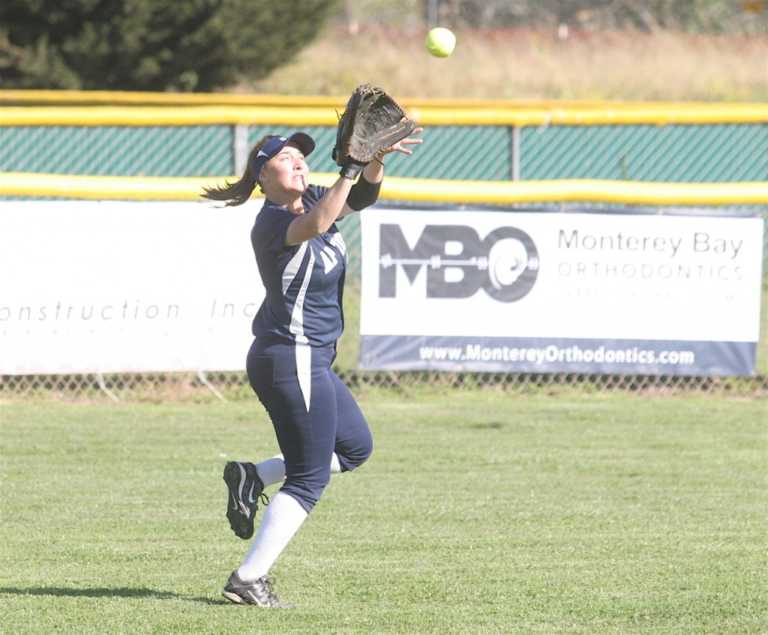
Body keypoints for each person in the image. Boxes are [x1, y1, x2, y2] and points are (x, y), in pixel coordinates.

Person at [201, 126, 422, 607]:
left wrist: (374, 159)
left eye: (302, 155)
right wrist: (350, 166)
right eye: (285, 158)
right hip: (288, 355)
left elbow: (360, 196)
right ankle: (247, 579)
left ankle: (253, 476)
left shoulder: (318, 197)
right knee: (308, 477)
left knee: (355, 448)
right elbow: (320, 223)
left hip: (312, 358)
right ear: (263, 175)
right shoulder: (272, 223)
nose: (299, 162)